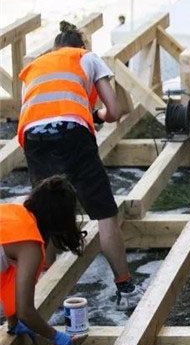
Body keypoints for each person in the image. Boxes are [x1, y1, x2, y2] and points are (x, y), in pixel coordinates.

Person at [17, 21, 144, 310]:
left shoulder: (36, 66)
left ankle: (41, 290)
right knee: (105, 213)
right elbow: (114, 111)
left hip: (33, 136)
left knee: (43, 211)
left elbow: (37, 107)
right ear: (81, 45)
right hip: (72, 132)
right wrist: (96, 115)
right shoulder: (86, 57)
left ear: (55, 46)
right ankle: (126, 287)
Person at [1, 176, 86, 345]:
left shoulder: (15, 211)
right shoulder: (30, 245)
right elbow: (26, 311)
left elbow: (9, 284)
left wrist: (13, 323)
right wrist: (56, 336)